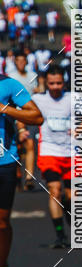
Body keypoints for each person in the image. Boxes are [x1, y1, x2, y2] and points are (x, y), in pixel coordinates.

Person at [0, 74, 43, 267]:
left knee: (1, 224)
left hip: (4, 163)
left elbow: (36, 116)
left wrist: (5, 109)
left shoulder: (9, 85)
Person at [31, 64, 72, 248]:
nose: (55, 87)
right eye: (52, 83)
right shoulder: (38, 100)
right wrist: (22, 129)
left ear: (64, 83)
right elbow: (23, 113)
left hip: (72, 152)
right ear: (46, 83)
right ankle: (60, 235)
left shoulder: (73, 99)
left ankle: (68, 208)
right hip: (49, 151)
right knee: (54, 189)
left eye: (59, 83)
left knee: (72, 196)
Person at [8, 51, 40, 190]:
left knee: (30, 144)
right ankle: (17, 176)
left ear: (26, 62)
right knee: (18, 148)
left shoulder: (32, 75)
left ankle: (29, 177)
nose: (21, 63)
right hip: (15, 114)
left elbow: (36, 91)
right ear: (15, 62)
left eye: (23, 60)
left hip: (29, 114)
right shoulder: (11, 77)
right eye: (18, 60)